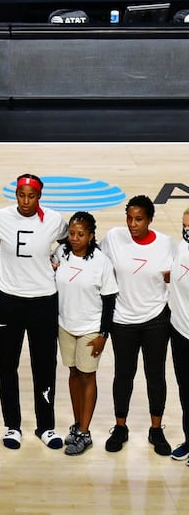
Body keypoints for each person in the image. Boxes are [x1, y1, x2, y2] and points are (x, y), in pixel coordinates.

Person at [0, 173, 68, 450]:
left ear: (39, 196)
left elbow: (70, 239)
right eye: (21, 195)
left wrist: (55, 258)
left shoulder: (55, 221)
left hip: (43, 300)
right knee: (6, 364)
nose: (25, 201)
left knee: (44, 364)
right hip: (8, 299)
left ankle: (46, 426)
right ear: (16, 194)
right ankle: (12, 426)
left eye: (31, 196)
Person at [100, 195, 174, 455]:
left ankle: (156, 430)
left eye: (139, 219)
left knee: (155, 376)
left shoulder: (166, 244)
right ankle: (120, 427)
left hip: (155, 320)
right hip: (122, 321)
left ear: (150, 220)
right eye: (129, 218)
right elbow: (98, 263)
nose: (133, 224)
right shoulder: (113, 237)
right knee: (123, 375)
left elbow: (173, 276)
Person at [52, 211, 118, 455]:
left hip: (91, 329)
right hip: (65, 326)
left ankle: (85, 432)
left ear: (91, 236)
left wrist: (104, 334)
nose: (75, 238)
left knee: (87, 376)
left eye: (81, 234)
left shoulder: (102, 262)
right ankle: (77, 423)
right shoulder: (61, 254)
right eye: (71, 233)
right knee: (73, 373)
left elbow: (109, 301)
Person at [168, 207, 189, 464]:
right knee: (186, 391)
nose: (187, 232)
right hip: (180, 332)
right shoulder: (178, 249)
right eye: (185, 227)